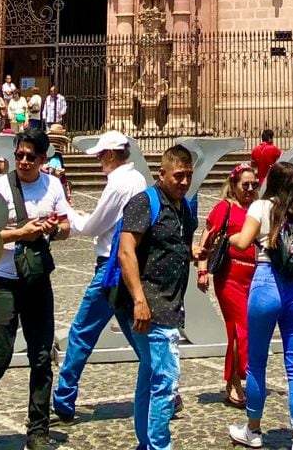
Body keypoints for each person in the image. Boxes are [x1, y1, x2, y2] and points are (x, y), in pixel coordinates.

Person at [0, 122, 73, 450]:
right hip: (3, 280)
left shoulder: (52, 186)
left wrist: (53, 228)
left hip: (37, 280)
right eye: (19, 155)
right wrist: (20, 233)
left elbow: (66, 226)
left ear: (42, 158)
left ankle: (38, 430)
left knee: (41, 357)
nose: (23, 161)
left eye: (30, 157)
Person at [227, 159, 293, 450]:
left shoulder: (261, 208)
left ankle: (253, 430)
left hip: (265, 285)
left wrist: (232, 237)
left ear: (270, 183)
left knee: (257, 364)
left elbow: (242, 242)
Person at [52, 130, 147, 422]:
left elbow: (93, 227)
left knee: (82, 331)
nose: (97, 161)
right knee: (137, 335)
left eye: (99, 156)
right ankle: (167, 391)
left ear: (109, 155)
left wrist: (68, 209)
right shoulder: (138, 179)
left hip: (110, 269)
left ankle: (63, 399)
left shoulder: (118, 183)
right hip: (130, 267)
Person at [115, 144, 196, 450]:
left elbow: (177, 247)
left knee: (150, 375)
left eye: (188, 176)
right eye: (179, 176)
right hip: (151, 306)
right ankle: (158, 446)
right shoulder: (144, 203)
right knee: (166, 381)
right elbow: (126, 253)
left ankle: (145, 443)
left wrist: (195, 254)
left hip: (170, 304)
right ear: (161, 174)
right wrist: (139, 300)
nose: (184, 181)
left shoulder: (183, 206)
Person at [195, 163, 259, 407]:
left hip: (255, 278)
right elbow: (207, 236)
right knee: (240, 329)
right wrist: (202, 271)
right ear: (234, 186)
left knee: (244, 330)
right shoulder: (225, 208)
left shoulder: (258, 208)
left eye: (254, 184)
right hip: (230, 277)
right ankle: (235, 381)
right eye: (245, 185)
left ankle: (236, 379)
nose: (250, 189)